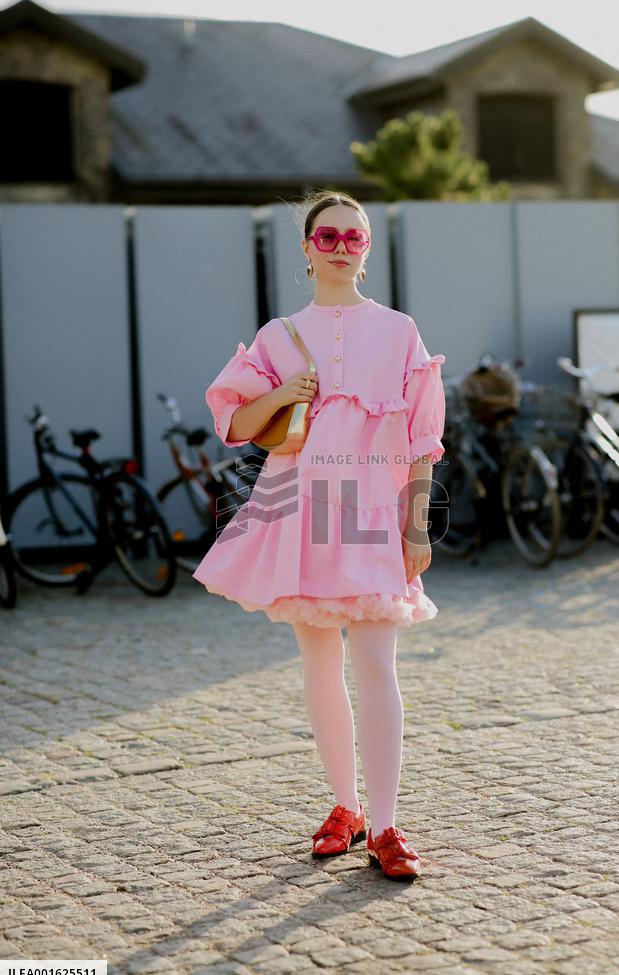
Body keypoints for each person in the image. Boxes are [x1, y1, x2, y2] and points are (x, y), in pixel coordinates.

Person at [192, 189, 446, 880]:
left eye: (353, 237)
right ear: (306, 248)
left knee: (376, 665)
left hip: (371, 508)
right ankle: (345, 807)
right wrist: (282, 393)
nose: (340, 247)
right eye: (326, 236)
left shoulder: (399, 331)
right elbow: (238, 424)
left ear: (367, 249)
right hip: (298, 506)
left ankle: (387, 823)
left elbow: (424, 435)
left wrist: (417, 521)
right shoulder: (278, 336)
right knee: (318, 665)